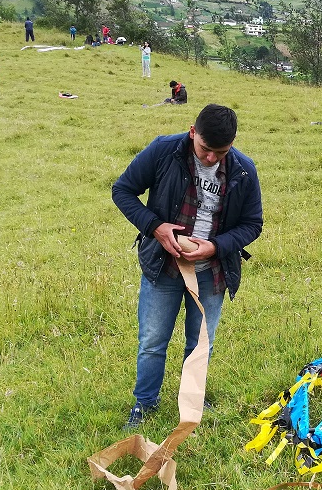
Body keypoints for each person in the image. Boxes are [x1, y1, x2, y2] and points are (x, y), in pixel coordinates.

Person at [111, 104, 263, 428]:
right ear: (193, 132)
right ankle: (145, 405)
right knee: (152, 341)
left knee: (200, 343)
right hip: (163, 267)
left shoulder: (243, 170)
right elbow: (122, 190)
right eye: (205, 150)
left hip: (212, 272)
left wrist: (216, 246)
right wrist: (155, 227)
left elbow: (253, 224)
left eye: (220, 153)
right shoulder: (164, 150)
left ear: (232, 145)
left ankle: (193, 400)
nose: (211, 159)